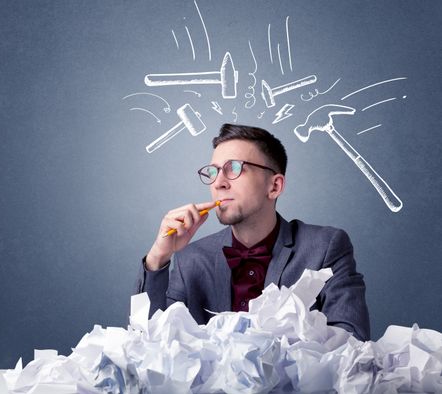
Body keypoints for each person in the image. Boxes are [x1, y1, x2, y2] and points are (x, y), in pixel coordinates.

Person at [135, 123, 370, 341]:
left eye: (234, 168)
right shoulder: (191, 258)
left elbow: (351, 340)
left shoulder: (325, 247)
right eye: (214, 172)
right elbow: (148, 343)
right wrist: (158, 256)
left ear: (274, 186)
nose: (218, 183)